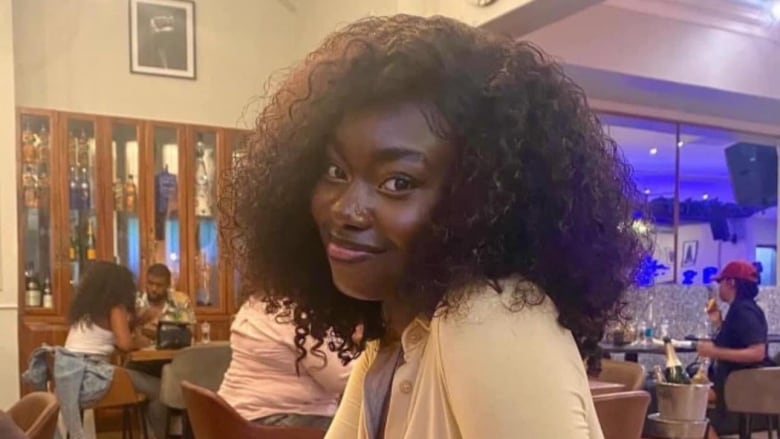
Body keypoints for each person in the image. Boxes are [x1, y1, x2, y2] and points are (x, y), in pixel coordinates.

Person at [225, 15, 645, 439]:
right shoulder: (399, 332)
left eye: (397, 182)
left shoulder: (490, 315)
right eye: (335, 170)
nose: (345, 210)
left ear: (478, 200)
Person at [51, 261, 165, 439]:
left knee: (141, 382)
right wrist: (140, 343)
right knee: (159, 389)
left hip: (70, 376)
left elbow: (108, 333)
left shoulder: (86, 308)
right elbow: (125, 344)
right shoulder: (115, 306)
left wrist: (138, 321)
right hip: (91, 377)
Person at [218, 296, 352, 429]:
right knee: (367, 428)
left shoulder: (256, 304)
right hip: (274, 421)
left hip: (236, 417)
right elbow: (342, 379)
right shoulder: (296, 314)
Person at [696, 260, 773, 439]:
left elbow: (757, 352)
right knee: (685, 397)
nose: (718, 287)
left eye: (720, 282)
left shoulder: (743, 310)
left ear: (731, 283)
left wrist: (713, 352)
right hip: (738, 380)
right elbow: (737, 341)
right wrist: (718, 323)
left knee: (682, 399)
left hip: (742, 384)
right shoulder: (741, 309)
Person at [135, 263, 195, 341]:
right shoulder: (136, 302)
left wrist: (158, 335)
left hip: (174, 352)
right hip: (143, 352)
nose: (154, 289)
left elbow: (191, 332)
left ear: (168, 285)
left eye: (159, 285)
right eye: (150, 283)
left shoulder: (181, 301)